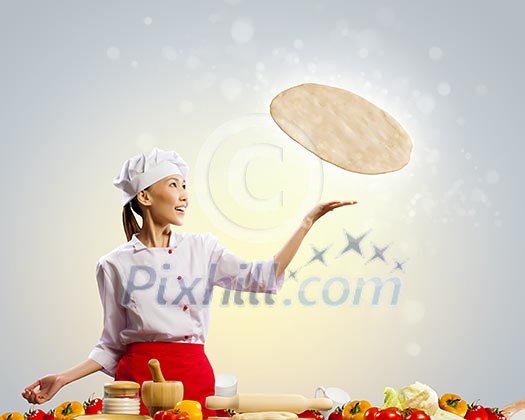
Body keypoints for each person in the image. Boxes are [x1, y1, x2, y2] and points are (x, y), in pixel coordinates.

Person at [22, 148, 357, 417]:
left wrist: (306, 223)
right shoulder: (113, 265)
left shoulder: (202, 249)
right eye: (173, 185)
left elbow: (262, 277)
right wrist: (64, 378)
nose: (184, 196)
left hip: (195, 378)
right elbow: (111, 344)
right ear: (145, 197)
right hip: (138, 383)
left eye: (185, 187)